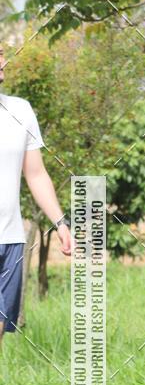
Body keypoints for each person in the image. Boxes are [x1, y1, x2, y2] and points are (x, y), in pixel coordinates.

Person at [0, 44, 71, 345]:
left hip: (10, 239)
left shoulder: (20, 111)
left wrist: (60, 222)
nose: (3, 59)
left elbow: (36, 173)